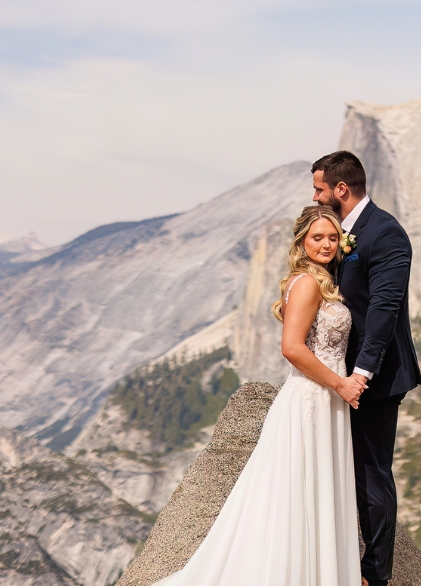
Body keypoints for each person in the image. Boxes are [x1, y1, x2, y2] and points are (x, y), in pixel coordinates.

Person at [150, 205, 365, 586]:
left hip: (328, 399)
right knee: (296, 490)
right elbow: (293, 349)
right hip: (312, 397)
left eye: (333, 237)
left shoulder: (323, 281)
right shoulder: (307, 283)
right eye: (318, 237)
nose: (327, 244)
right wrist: (340, 383)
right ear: (302, 241)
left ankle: (326, 569)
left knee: (318, 488)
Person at [312, 151, 421, 586]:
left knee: (371, 474)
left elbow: (384, 310)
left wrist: (361, 374)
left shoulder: (386, 233)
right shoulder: (341, 233)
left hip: (372, 379)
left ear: (341, 189)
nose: (316, 196)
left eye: (320, 189)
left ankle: (375, 575)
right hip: (338, 373)